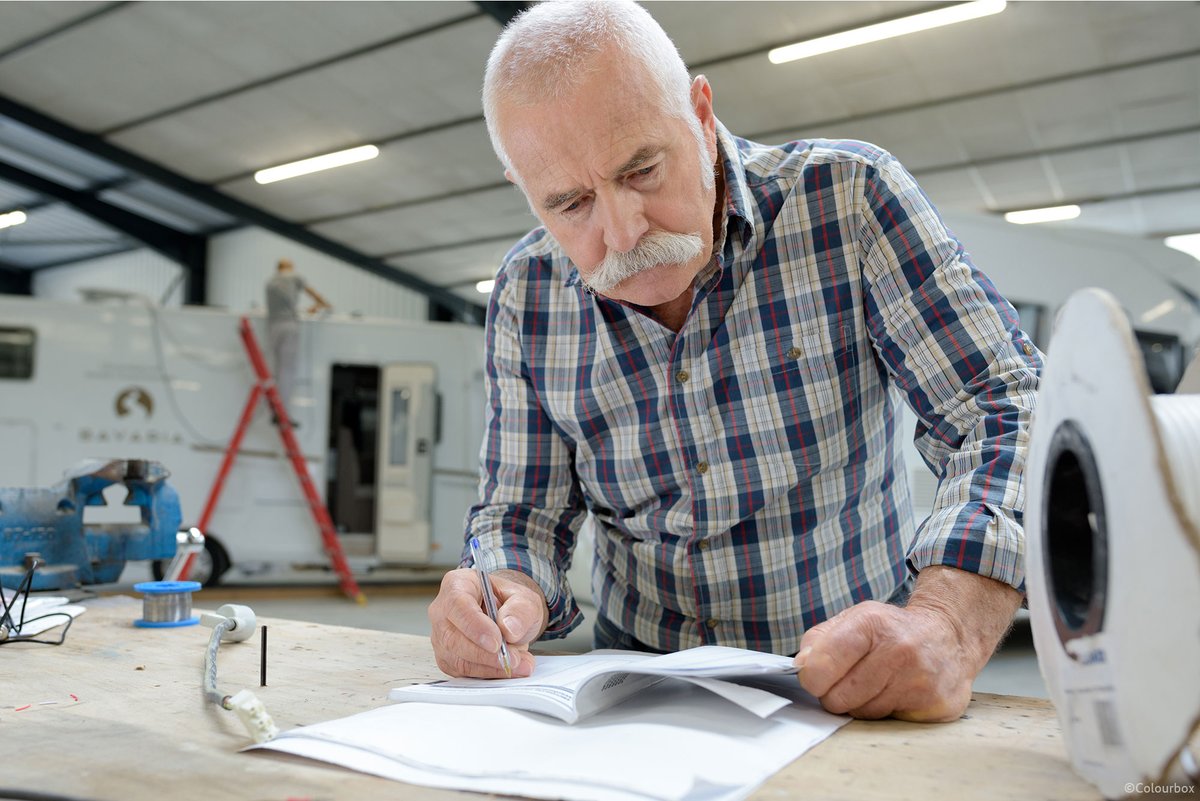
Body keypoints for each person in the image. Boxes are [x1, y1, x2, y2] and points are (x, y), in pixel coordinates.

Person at [428, 0, 1042, 723]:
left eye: (643, 169)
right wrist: (506, 591)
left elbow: (1003, 406)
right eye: (570, 204)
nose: (622, 232)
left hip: (853, 681)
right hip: (634, 699)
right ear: (522, 188)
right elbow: (521, 511)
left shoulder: (849, 200)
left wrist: (944, 622)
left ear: (701, 112)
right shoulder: (527, 293)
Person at [264, 258, 331, 422]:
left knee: (274, 369)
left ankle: (273, 409)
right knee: (287, 371)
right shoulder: (293, 276)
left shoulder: (270, 282)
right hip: (289, 325)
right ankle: (282, 413)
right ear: (287, 267)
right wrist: (324, 304)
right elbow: (315, 295)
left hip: (272, 327)